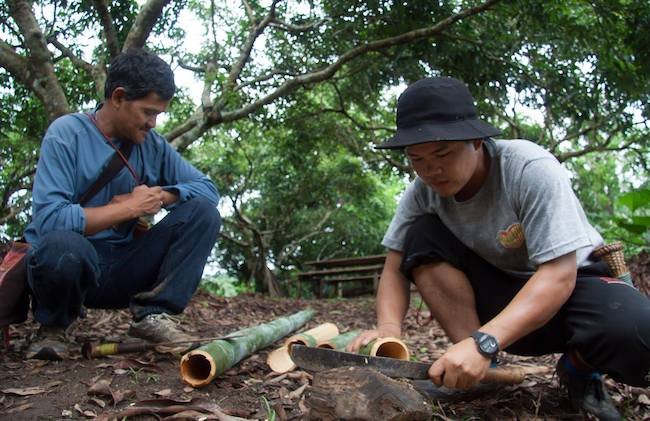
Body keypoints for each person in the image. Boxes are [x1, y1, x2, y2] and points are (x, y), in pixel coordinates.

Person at [347, 77, 650, 420]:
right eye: (417, 158)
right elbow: (394, 266)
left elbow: (558, 275)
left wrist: (485, 341)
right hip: (500, 301)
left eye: (443, 153)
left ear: (477, 141)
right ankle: (479, 371)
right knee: (420, 234)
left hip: (573, 290)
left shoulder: (528, 168)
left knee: (641, 334)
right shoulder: (422, 192)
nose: (431, 170)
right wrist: (388, 328)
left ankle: (578, 368)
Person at [22, 48, 221, 360]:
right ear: (118, 98)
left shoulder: (153, 146)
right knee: (61, 245)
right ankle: (54, 327)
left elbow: (208, 190)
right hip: (73, 267)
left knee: (203, 213)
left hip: (123, 267)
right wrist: (128, 208)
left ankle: (154, 316)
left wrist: (159, 197)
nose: (153, 123)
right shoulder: (67, 134)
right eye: (147, 112)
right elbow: (49, 221)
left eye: (158, 114)